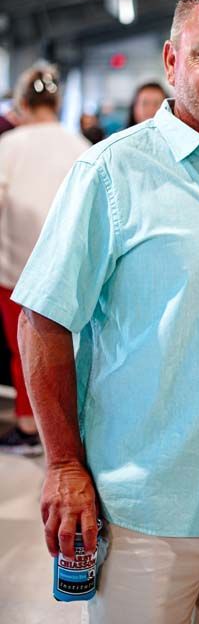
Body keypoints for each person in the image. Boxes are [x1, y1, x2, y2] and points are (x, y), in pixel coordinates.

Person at [12, 0, 199, 624]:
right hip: (143, 511)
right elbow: (42, 320)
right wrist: (63, 465)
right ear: (172, 62)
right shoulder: (110, 174)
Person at [0, 65, 88, 455]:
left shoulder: (10, 146)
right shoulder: (81, 144)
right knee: (70, 353)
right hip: (73, 270)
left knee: (25, 350)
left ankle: (28, 423)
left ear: (22, 101)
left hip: (16, 267)